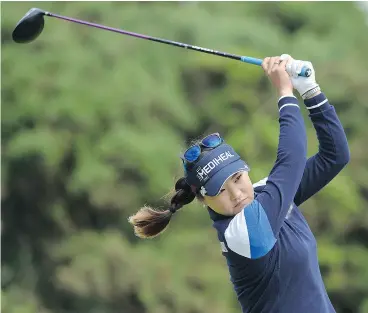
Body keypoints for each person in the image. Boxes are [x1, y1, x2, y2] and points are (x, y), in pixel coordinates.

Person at [128, 54, 350, 312]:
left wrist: (311, 90)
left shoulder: (265, 193)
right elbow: (291, 160)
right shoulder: (242, 233)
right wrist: (285, 93)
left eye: (236, 178)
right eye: (220, 190)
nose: (236, 194)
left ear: (245, 171)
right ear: (204, 200)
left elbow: (334, 156)